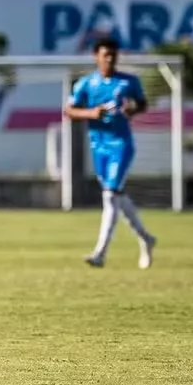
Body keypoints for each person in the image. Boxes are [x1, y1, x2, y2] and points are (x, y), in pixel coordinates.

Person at [64, 37, 157, 270]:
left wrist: (133, 109)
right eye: (105, 54)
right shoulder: (86, 84)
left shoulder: (128, 82)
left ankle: (100, 253)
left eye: (113, 55)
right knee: (117, 196)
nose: (110, 59)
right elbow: (69, 111)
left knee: (110, 195)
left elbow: (143, 104)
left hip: (121, 144)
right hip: (98, 146)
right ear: (96, 56)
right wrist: (91, 113)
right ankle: (146, 238)